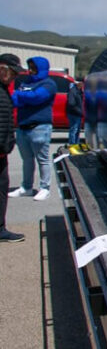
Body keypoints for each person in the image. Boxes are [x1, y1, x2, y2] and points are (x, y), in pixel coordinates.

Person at [8, 57, 56, 202]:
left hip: (40, 127)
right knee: (27, 160)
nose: (30, 71)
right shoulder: (26, 82)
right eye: (29, 67)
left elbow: (37, 97)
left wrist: (21, 95)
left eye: (34, 68)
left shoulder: (49, 84)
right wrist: (24, 97)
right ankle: (26, 188)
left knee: (42, 160)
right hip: (22, 127)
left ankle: (45, 188)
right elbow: (14, 100)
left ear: (41, 68)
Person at [0, 54, 25, 242]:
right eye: (12, 73)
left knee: (2, 189)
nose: (14, 77)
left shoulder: (4, 89)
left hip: (2, 152)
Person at [66, 81, 83, 145]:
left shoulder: (79, 91)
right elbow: (71, 103)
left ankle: (76, 144)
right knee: (74, 130)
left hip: (78, 114)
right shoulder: (73, 91)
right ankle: (72, 145)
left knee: (77, 131)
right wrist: (79, 111)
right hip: (74, 114)